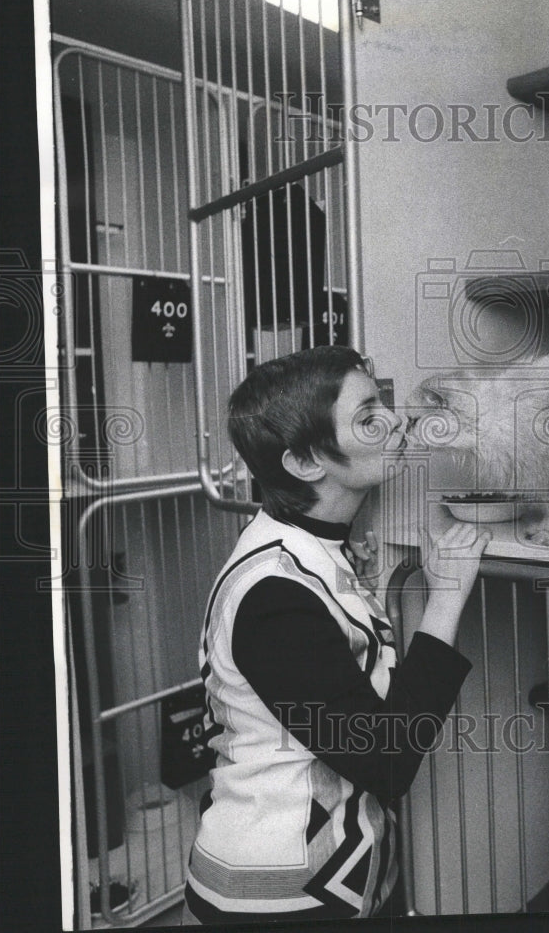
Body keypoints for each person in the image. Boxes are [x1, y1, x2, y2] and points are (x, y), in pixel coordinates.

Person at [181, 345, 490, 925]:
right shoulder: (274, 596)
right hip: (275, 898)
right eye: (368, 414)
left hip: (342, 879)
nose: (397, 420)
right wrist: (445, 599)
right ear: (304, 463)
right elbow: (387, 762)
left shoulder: (310, 543)